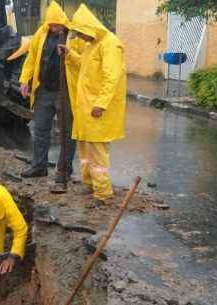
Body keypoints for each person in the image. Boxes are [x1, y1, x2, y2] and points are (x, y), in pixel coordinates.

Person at [58, 4, 127, 206]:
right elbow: (84, 67)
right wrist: (70, 54)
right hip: (86, 109)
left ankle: (103, 193)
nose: (80, 37)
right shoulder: (92, 46)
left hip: (98, 110)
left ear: (89, 28)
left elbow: (111, 77)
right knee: (85, 151)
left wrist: (101, 104)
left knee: (97, 154)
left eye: (81, 33)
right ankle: (89, 183)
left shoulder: (110, 44)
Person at [17, 1, 76, 194]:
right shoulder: (40, 34)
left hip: (65, 90)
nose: (53, 28)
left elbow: (82, 60)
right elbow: (31, 58)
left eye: (56, 25)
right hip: (44, 90)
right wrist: (24, 80)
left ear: (63, 22)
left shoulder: (72, 35)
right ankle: (39, 166)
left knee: (67, 132)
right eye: (50, 25)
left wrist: (69, 53)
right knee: (41, 129)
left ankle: (64, 171)